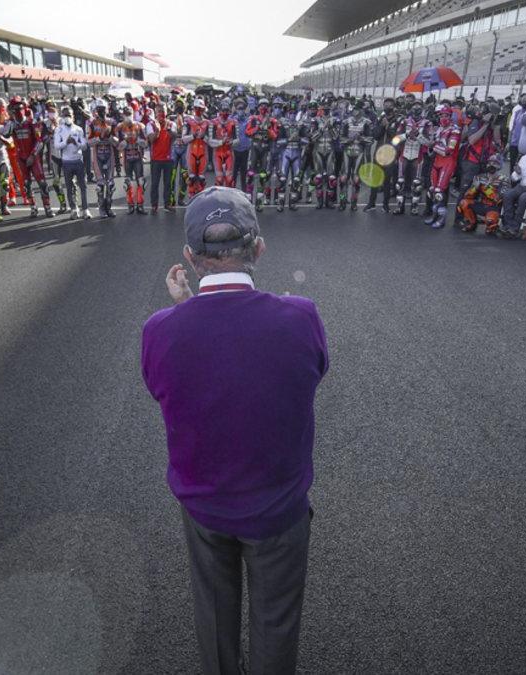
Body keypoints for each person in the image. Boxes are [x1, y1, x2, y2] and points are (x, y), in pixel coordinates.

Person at [141, 186, 327, 674]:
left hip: (205, 506)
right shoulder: (300, 316)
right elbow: (310, 370)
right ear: (258, 248)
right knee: (276, 625)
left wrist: (183, 309)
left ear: (190, 257)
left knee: (217, 625)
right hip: (279, 507)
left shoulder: (161, 329)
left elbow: (166, 386)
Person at [455, 153, 505, 235]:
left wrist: (486, 188)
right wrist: (475, 188)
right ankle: (472, 223)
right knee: (464, 202)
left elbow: (500, 197)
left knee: (490, 224)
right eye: (490, 162)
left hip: (494, 207)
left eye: (495, 163)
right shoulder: (479, 177)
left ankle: (492, 225)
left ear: (499, 165)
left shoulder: (504, 179)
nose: (491, 165)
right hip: (481, 204)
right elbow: (468, 195)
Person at [54, 106, 90, 219]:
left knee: (83, 186)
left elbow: (84, 146)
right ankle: (74, 209)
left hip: (78, 161)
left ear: (73, 116)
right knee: (69, 187)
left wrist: (76, 143)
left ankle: (85, 209)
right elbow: (56, 145)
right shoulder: (59, 129)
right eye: (65, 115)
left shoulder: (79, 129)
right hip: (67, 162)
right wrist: (66, 141)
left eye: (69, 115)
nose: (67, 117)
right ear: (62, 116)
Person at [147, 104, 174, 214]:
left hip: (168, 158)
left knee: (168, 183)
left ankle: (167, 204)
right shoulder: (150, 124)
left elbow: (175, 135)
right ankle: (154, 205)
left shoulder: (171, 124)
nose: (161, 113)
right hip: (155, 159)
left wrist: (169, 130)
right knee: (154, 183)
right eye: (158, 111)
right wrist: (157, 131)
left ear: (166, 112)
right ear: (155, 112)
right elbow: (151, 139)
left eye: (163, 111)